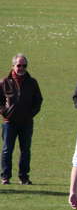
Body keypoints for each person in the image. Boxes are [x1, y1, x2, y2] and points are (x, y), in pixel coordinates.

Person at [1, 54, 43, 185]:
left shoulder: (32, 82)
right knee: (7, 149)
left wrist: (30, 114)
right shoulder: (4, 82)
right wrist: (5, 112)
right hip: (9, 122)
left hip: (26, 122)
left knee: (25, 150)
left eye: (24, 65)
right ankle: (5, 177)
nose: (21, 68)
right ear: (13, 66)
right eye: (19, 65)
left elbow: (38, 100)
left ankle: (24, 177)